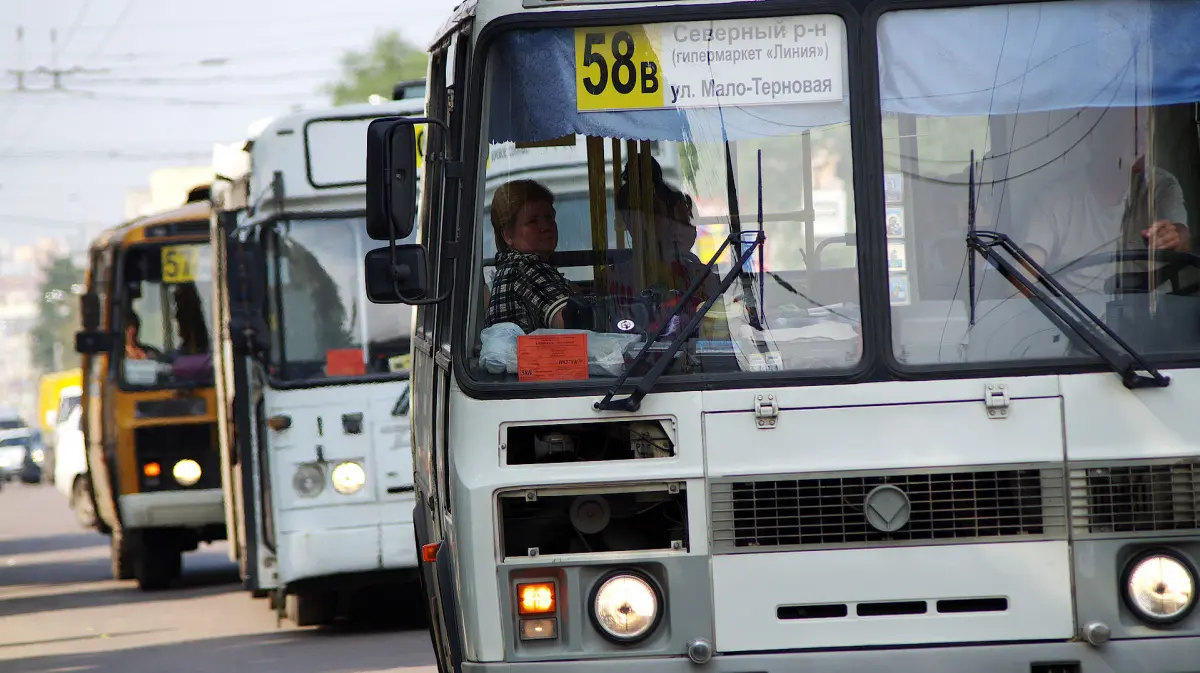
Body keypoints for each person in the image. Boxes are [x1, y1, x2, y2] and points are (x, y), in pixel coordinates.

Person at [1023, 105, 1190, 293]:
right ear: (1096, 138)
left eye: (1146, 130)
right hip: (1076, 321)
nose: (1143, 142)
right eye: (1133, 133)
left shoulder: (1161, 186)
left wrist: (1173, 238)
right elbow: (1022, 279)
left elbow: (1181, 235)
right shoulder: (1055, 200)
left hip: (1153, 319)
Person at [483, 180, 575, 333]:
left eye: (549, 218)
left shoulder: (508, 268)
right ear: (507, 235)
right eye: (532, 221)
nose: (546, 227)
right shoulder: (528, 268)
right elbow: (570, 321)